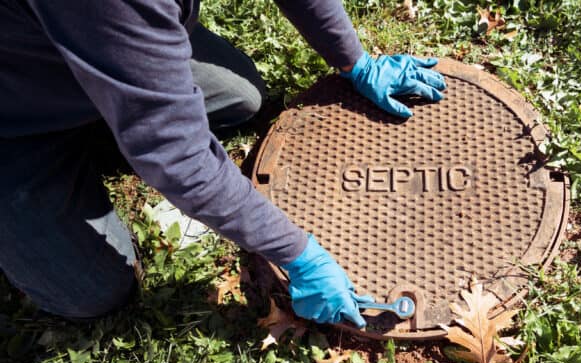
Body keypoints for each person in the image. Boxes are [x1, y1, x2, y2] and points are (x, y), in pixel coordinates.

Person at [0, 0, 446, 328]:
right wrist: (298, 254)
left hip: (93, 36)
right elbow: (180, 158)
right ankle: (120, 116)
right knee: (90, 292)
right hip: (17, 116)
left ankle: (128, 99)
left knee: (242, 97)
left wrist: (355, 61)